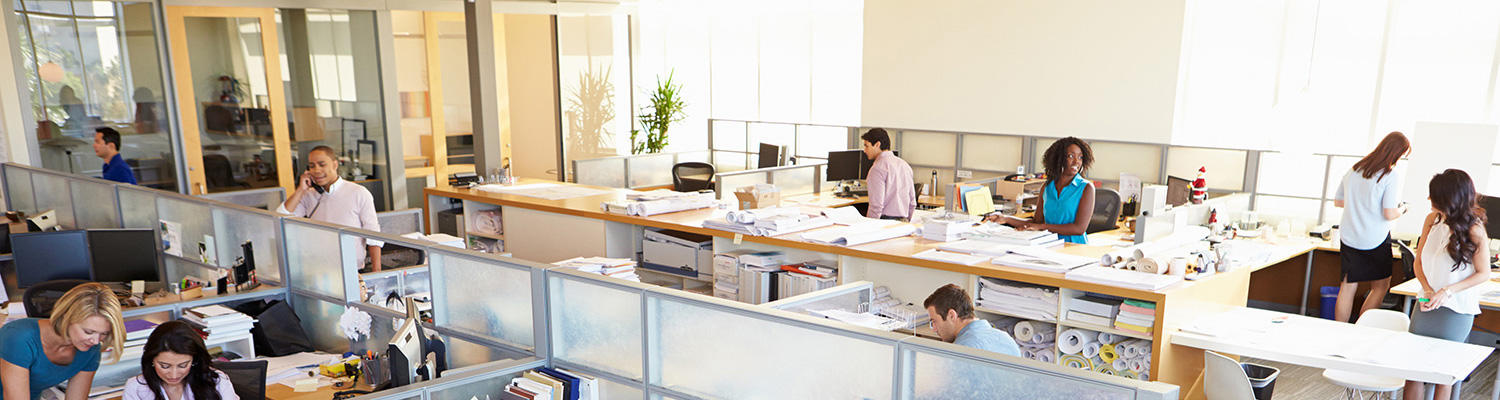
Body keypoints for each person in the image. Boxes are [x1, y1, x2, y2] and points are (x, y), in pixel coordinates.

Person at [1403, 169, 1490, 400]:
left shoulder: (1474, 229)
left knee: (1443, 374)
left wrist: (1447, 292)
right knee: (1413, 371)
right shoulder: (1432, 220)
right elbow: (1419, 262)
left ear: (1450, 199)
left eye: (1434, 197)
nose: (1429, 201)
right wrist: (1428, 289)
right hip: (1426, 304)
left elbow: (1484, 273)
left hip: (1457, 309)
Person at [1331, 132, 1409, 323]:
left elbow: (1338, 201)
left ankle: (1338, 330)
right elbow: (1389, 213)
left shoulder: (1354, 170)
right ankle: (1361, 329)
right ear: (1396, 153)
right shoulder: (1389, 175)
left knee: (1347, 286)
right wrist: (1403, 209)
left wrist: (1358, 204)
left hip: (1350, 236)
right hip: (1375, 238)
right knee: (1381, 286)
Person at [0, 283, 125, 400]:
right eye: (88, 332)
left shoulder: (90, 348)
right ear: (66, 318)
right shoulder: (19, 338)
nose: (96, 341)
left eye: (104, 334)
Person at [278, 146, 383, 271]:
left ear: (335, 165)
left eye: (322, 165)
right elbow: (280, 217)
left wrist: (377, 274)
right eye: (312, 166)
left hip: (352, 270)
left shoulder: (358, 193)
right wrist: (300, 190)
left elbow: (373, 235)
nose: (316, 170)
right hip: (319, 269)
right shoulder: (308, 195)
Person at [986, 137, 1095, 244]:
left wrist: (1042, 227)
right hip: (1048, 243)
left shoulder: (1086, 188)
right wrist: (1005, 219)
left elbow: (1079, 228)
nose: (1077, 161)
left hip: (1074, 246)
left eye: (1080, 157)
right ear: (1059, 158)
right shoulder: (1047, 187)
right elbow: (1036, 222)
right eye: (1071, 156)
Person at [123, 321, 238, 400]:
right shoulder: (135, 388)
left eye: (183, 365)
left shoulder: (217, 381)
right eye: (165, 366)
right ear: (151, 360)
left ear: (194, 360)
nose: (173, 375)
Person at [923, 284, 1021, 356]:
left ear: (952, 315)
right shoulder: (1007, 340)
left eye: (934, 321)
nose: (934, 329)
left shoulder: (961, 350)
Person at [861, 128, 916, 220]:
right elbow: (912, 202)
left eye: (867, 146)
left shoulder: (877, 168)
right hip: (903, 221)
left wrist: (869, 226)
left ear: (877, 145)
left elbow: (876, 205)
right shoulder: (904, 165)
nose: (865, 150)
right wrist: (907, 221)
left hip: (885, 222)